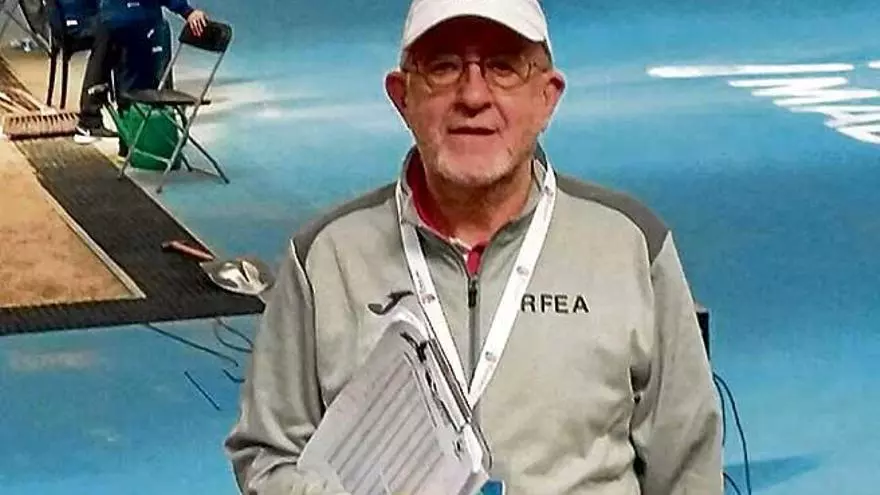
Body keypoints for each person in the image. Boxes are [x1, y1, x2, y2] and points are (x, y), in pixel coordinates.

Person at [224, 0, 724, 493]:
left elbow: (688, 473)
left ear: (547, 97)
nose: (473, 94)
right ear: (402, 96)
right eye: (443, 67)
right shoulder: (325, 259)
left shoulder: (631, 246)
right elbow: (269, 456)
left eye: (504, 67)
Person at [74, 0, 207, 144]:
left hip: (138, 25)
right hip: (124, 24)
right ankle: (94, 122)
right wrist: (186, 11)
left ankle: (95, 123)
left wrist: (187, 11)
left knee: (123, 38)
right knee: (114, 36)